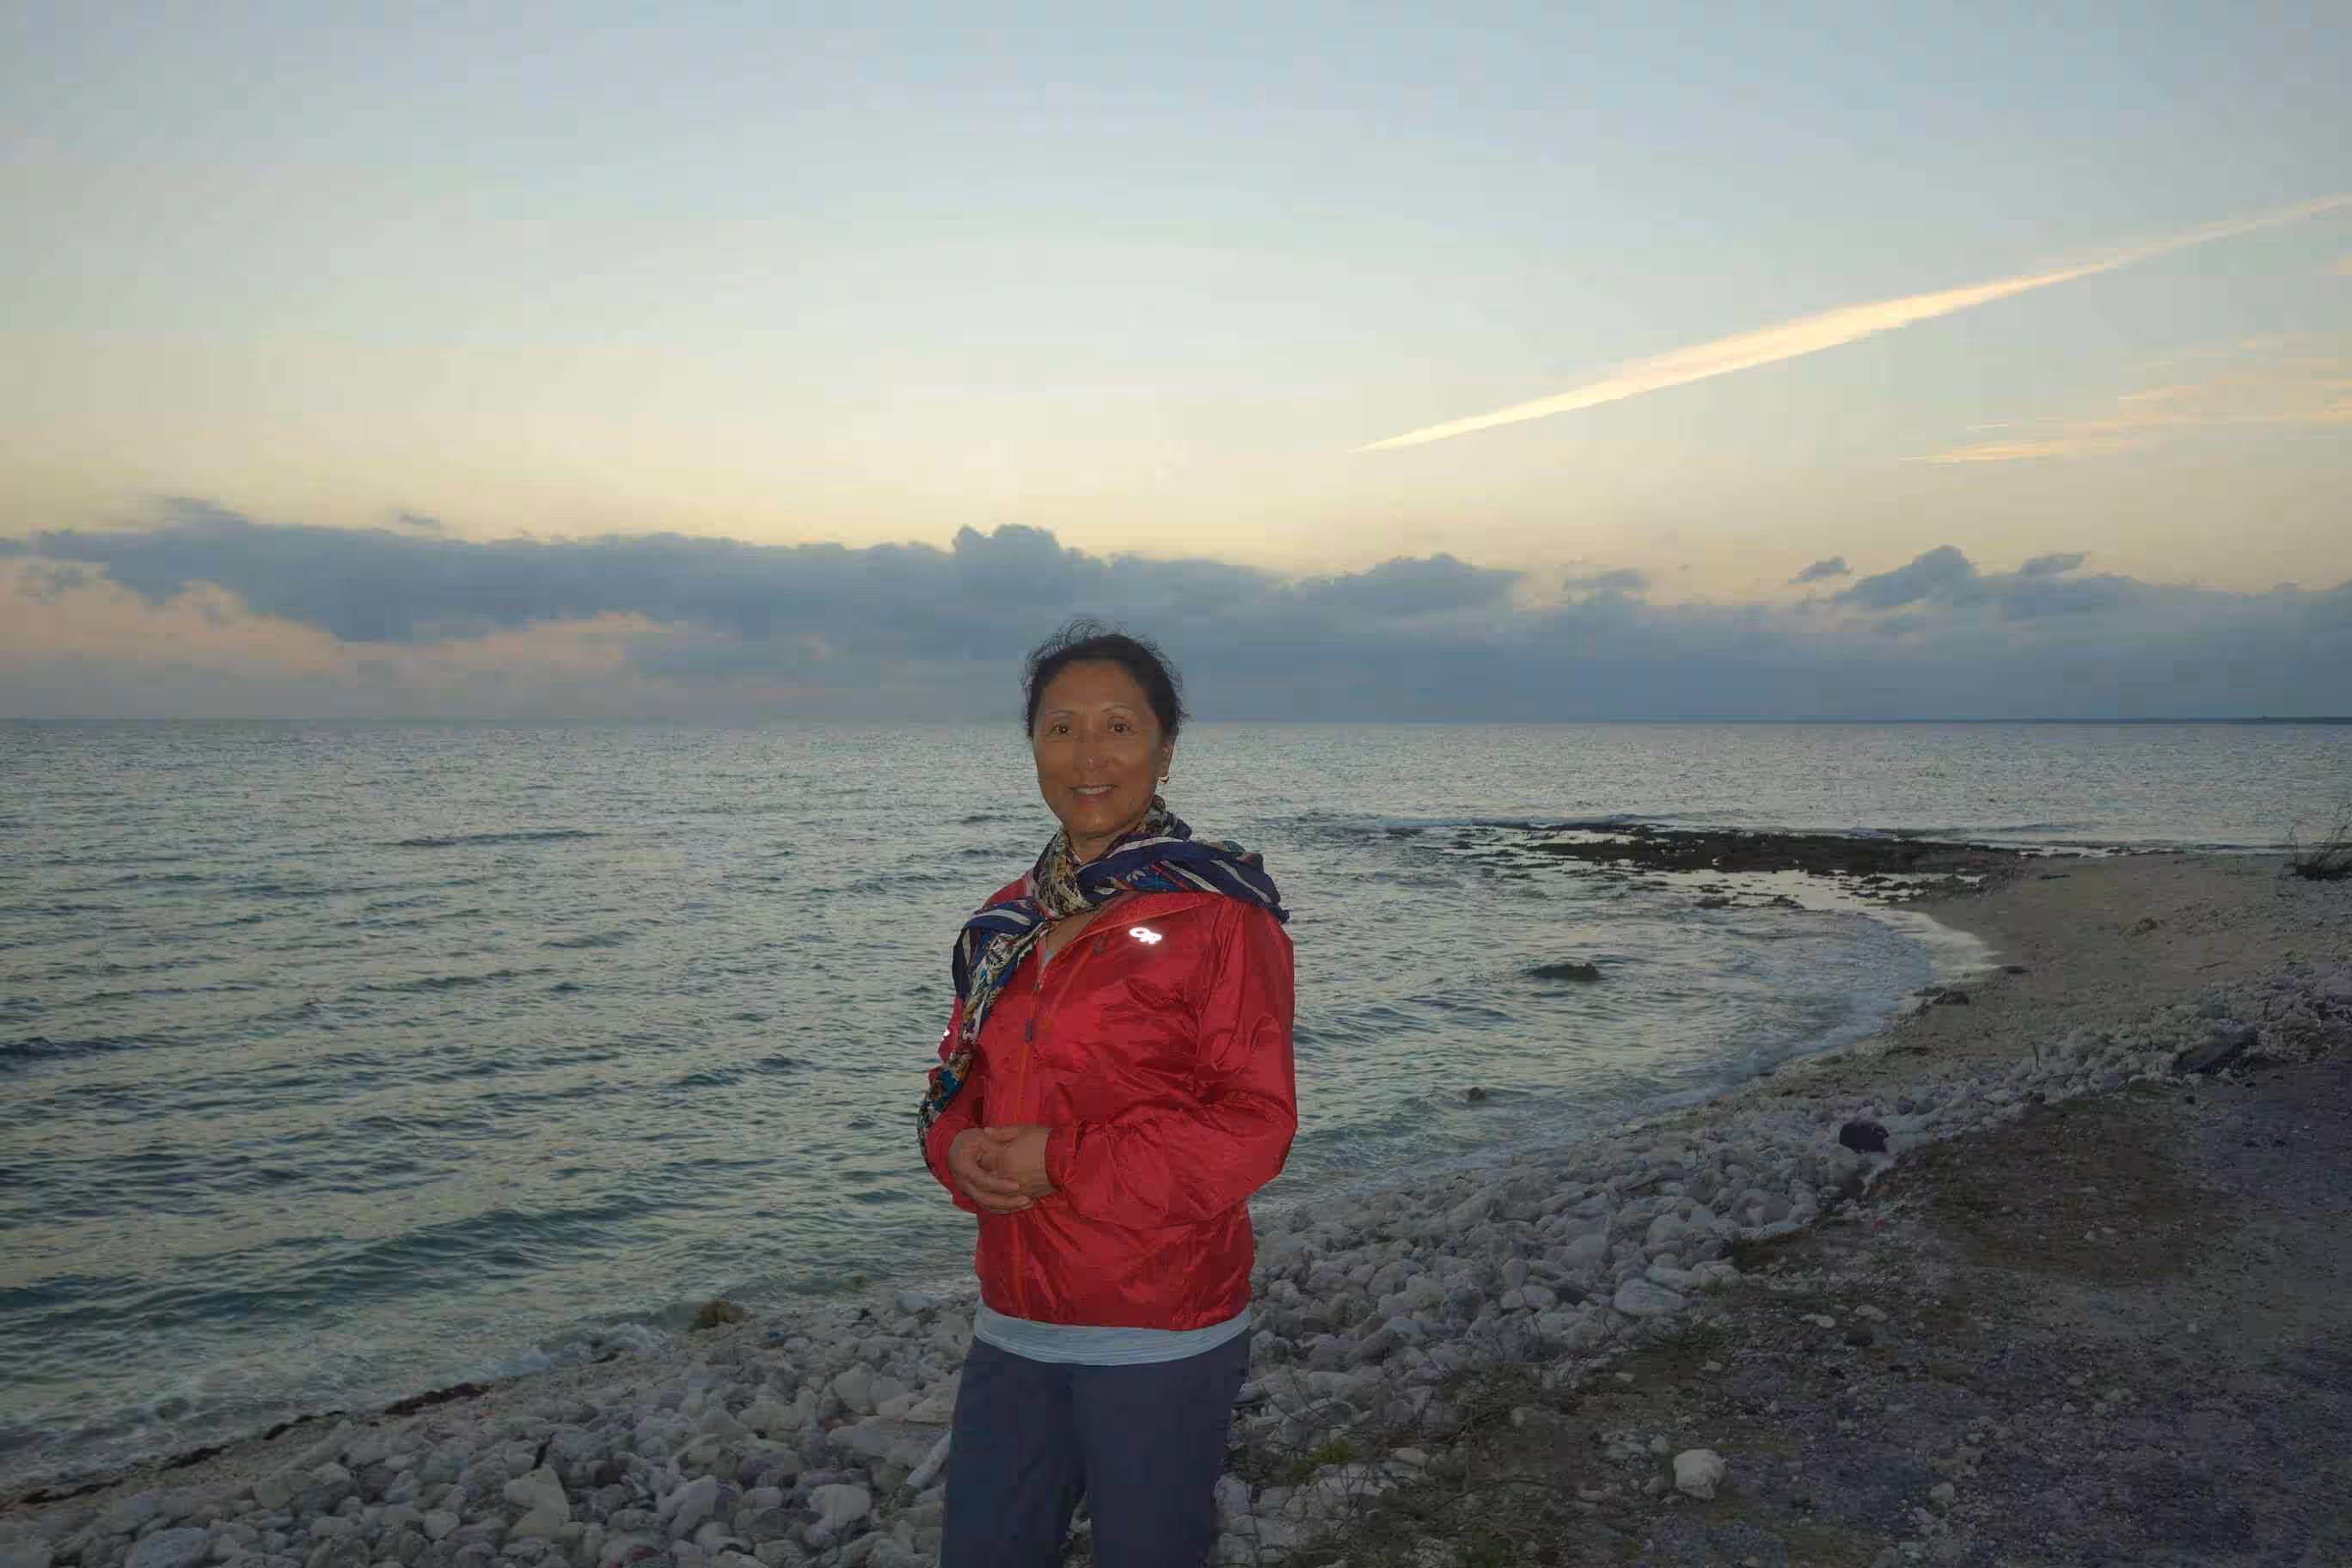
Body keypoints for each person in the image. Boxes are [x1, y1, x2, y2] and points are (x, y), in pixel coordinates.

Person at [916, 620, 1297, 1568]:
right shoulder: (1007, 919)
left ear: (1165, 751)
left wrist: (1060, 1159)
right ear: (1034, 748)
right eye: (1062, 729)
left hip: (1159, 1326)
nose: (1089, 756)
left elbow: (1253, 1128)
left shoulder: (1221, 916)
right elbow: (956, 1079)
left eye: (1120, 728)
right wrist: (954, 1149)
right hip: (1014, 1316)